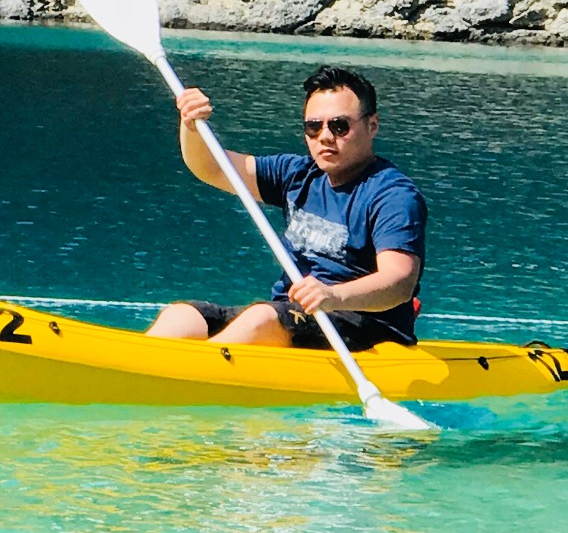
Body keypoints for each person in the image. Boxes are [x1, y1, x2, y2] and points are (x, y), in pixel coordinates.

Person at [147, 65, 425, 350]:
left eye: (339, 125)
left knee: (261, 318)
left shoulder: (392, 195)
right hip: (293, 315)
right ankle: (146, 368)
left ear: (372, 126)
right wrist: (191, 126)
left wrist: (333, 295)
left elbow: (398, 282)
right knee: (183, 316)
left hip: (367, 327)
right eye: (313, 127)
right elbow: (211, 168)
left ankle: (193, 372)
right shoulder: (296, 174)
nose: (325, 137)